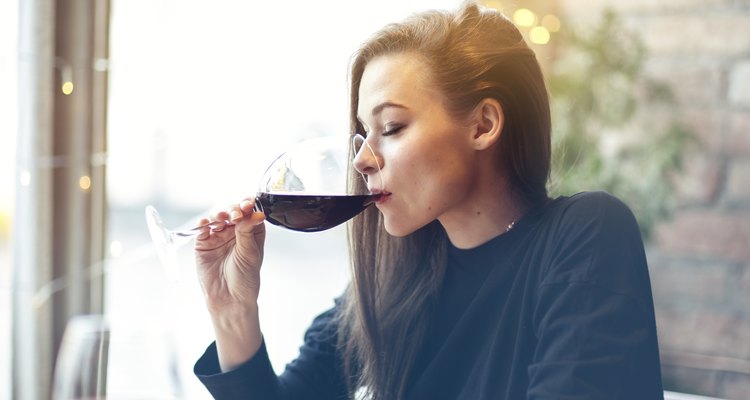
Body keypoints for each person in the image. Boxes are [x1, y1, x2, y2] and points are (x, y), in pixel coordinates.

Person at [192, 1, 664, 399]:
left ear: (483, 125)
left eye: (392, 127)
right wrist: (232, 311)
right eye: (361, 135)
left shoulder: (585, 234)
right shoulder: (389, 279)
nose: (362, 160)